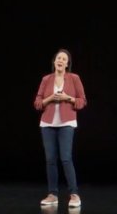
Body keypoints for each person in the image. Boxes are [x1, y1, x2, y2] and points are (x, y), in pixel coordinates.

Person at [33, 48, 87, 207]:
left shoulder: (74, 78)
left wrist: (67, 98)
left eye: (64, 59)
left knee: (65, 158)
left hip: (66, 123)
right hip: (47, 124)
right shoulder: (46, 79)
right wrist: (50, 98)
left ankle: (74, 194)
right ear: (54, 61)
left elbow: (82, 101)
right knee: (50, 159)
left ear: (67, 63)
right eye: (58, 58)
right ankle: (52, 195)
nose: (61, 61)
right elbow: (37, 103)